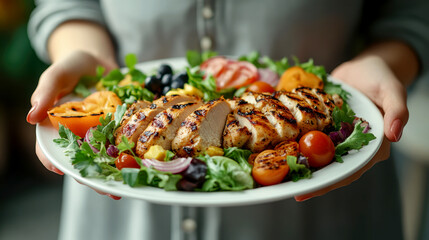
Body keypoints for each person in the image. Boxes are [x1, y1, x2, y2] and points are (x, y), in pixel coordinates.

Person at [26, 0, 429, 239]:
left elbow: (411, 9)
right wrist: (82, 54)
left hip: (322, 215)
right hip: (123, 217)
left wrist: (387, 61)